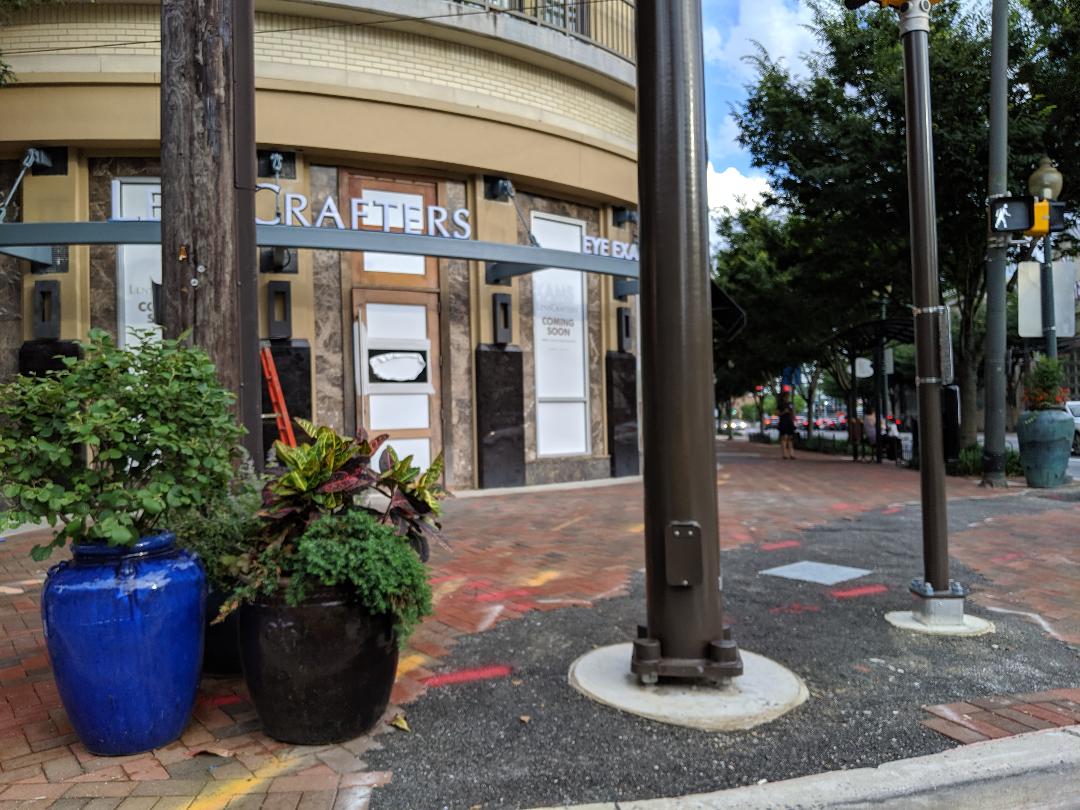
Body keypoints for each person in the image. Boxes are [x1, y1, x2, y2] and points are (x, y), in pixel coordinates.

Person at [778, 395, 796, 460]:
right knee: (784, 437)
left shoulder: (790, 404)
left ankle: (792, 454)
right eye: (786, 397)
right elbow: (777, 413)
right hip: (783, 422)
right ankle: (784, 454)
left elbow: (793, 412)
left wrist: (793, 418)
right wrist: (784, 412)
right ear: (783, 397)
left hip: (790, 422)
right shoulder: (780, 405)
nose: (787, 398)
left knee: (790, 438)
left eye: (788, 397)